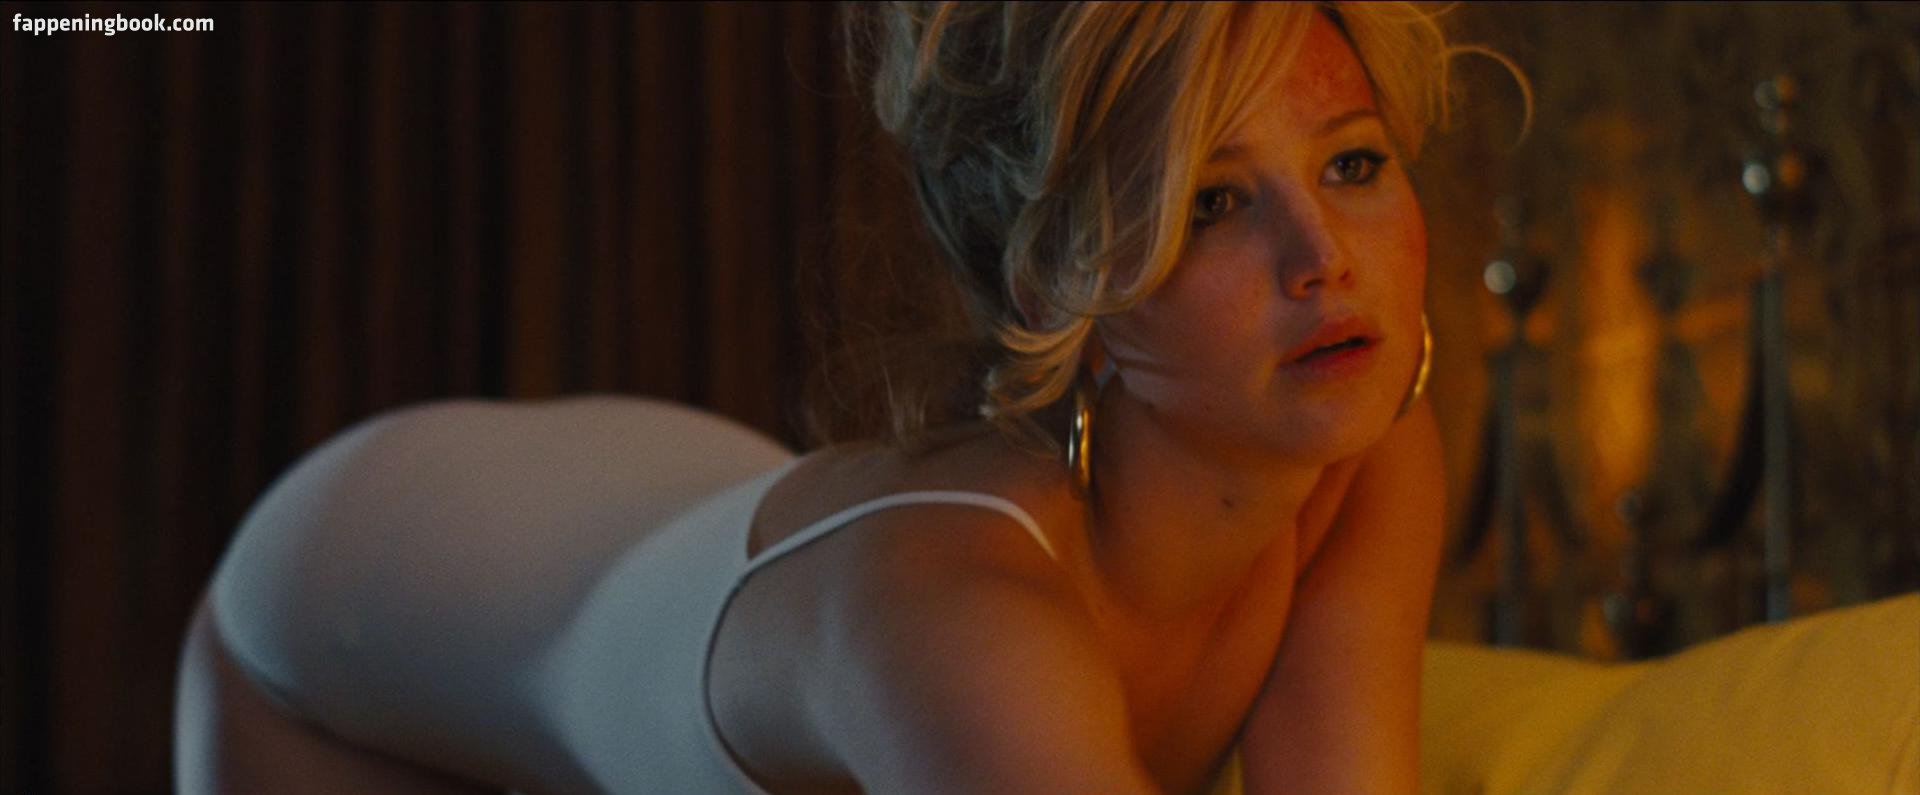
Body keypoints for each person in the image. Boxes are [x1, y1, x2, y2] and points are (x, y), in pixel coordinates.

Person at [176, 2, 1479, 792]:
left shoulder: (1360, 445)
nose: (1324, 258)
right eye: (1212, 202)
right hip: (370, 609)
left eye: (1354, 163)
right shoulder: (960, 629)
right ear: (1063, 283)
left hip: (658, 541)